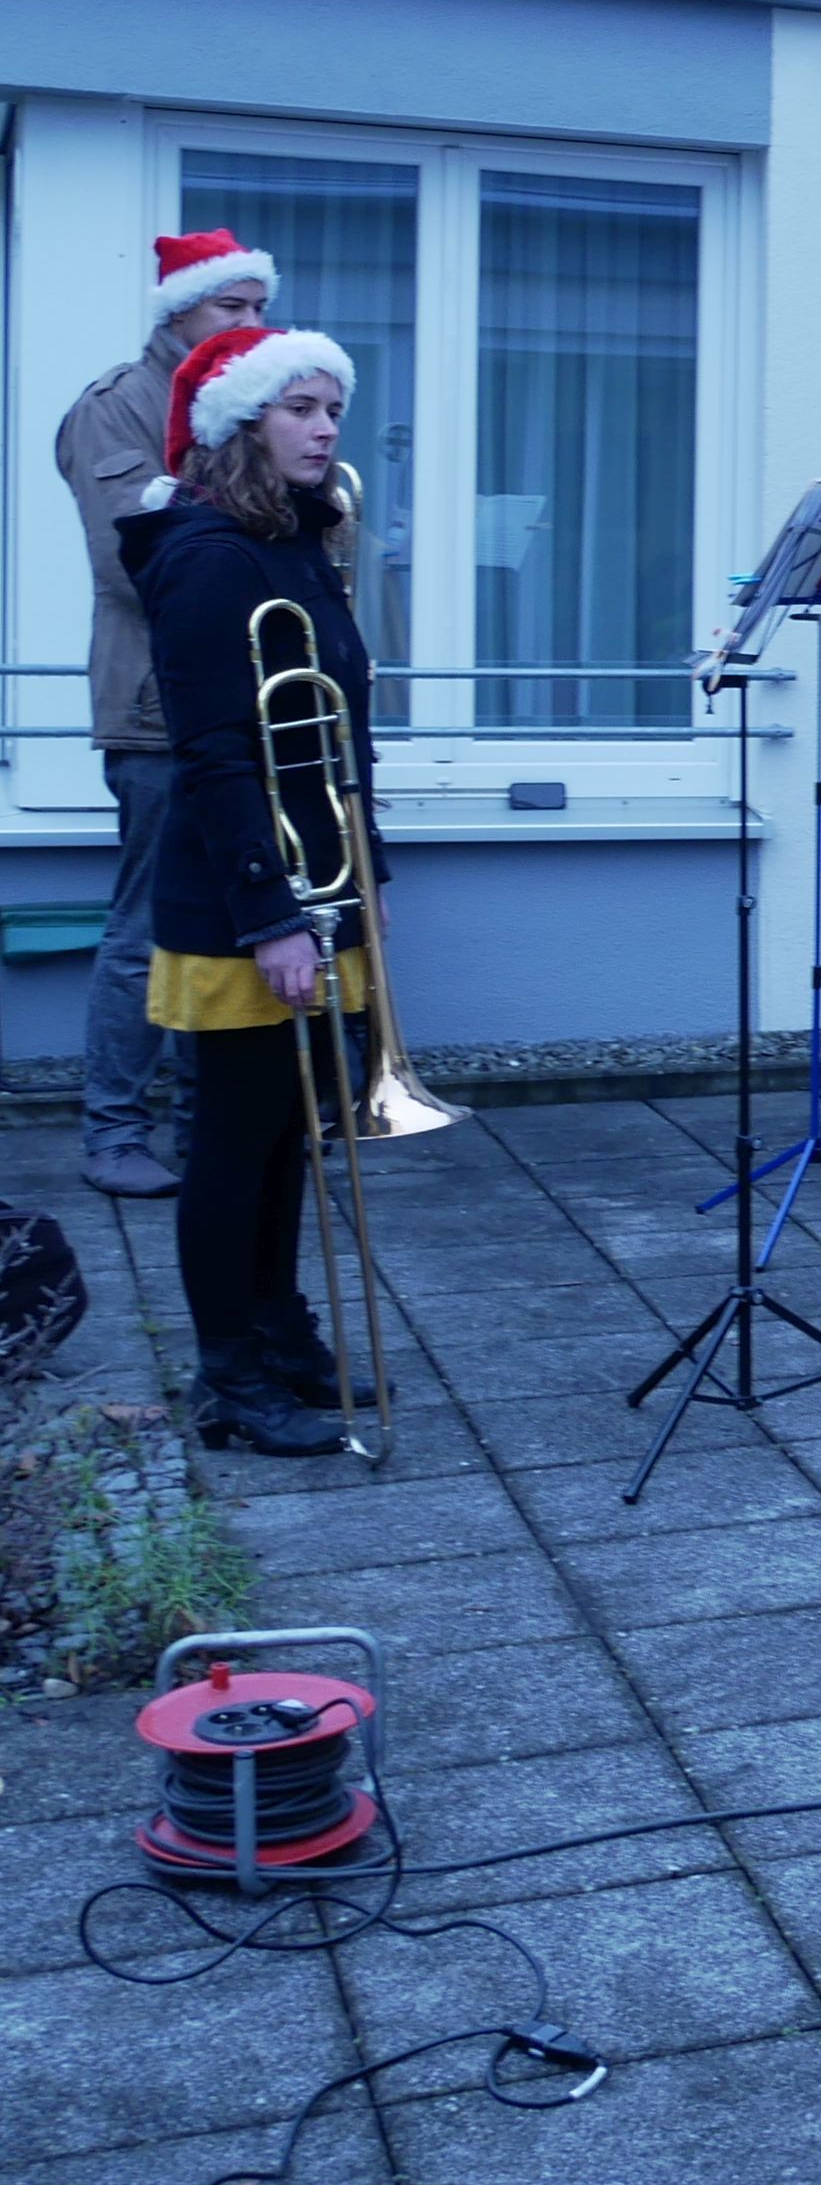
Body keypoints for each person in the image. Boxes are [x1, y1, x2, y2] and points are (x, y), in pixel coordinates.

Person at [118, 324, 379, 1456]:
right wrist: (271, 914)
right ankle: (231, 1379)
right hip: (246, 902)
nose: (325, 427)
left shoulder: (296, 543)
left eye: (332, 408)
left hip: (319, 881)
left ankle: (280, 1333)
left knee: (287, 1136)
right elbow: (215, 750)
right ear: (241, 421)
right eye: (301, 407)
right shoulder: (209, 555)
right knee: (233, 1141)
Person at [54, 230, 278, 1200]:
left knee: (235, 923)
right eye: (230, 307)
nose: (251, 324)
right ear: (176, 312)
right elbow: (129, 561)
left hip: (242, 709)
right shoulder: (120, 408)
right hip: (156, 706)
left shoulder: (242, 405)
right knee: (150, 922)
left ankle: (208, 1126)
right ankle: (113, 1129)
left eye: (258, 307)